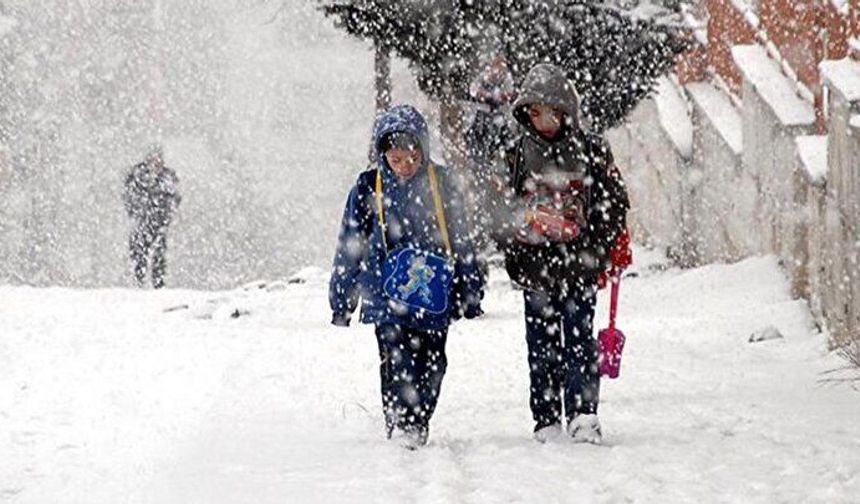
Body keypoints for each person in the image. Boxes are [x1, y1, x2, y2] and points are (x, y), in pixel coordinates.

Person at [329, 105, 484, 450]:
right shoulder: (369, 186)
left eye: (412, 158)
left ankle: (419, 417)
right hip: (385, 293)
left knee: (433, 362)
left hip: (433, 293)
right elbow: (350, 243)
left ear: (423, 151)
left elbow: (461, 237)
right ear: (383, 154)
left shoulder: (441, 183)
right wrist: (342, 299)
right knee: (395, 359)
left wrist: (470, 289)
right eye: (396, 159)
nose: (404, 167)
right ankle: (400, 422)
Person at [495, 64, 630, 444]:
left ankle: (584, 414)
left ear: (567, 111)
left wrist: (598, 247)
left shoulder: (591, 149)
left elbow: (613, 202)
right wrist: (516, 245)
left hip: (580, 265)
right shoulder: (516, 154)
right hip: (536, 268)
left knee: (579, 340)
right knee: (541, 344)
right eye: (535, 113)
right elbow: (497, 206)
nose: (544, 122)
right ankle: (546, 418)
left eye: (552, 113)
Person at [123, 144, 181, 289]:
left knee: (159, 254)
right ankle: (139, 282)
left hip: (159, 222)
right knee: (139, 252)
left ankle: (158, 284)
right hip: (142, 221)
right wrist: (138, 211)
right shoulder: (138, 175)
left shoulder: (167, 177)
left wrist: (167, 212)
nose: (156, 162)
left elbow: (174, 197)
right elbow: (129, 197)